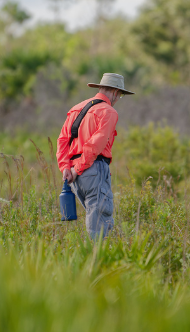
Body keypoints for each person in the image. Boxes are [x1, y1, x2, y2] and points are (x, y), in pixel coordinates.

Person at [56, 73, 134, 240]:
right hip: (92, 169)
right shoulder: (109, 111)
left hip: (77, 178)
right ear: (114, 91)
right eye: (120, 94)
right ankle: (95, 261)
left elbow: (63, 140)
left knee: (99, 219)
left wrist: (65, 168)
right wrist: (78, 168)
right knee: (99, 223)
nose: (118, 98)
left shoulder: (76, 108)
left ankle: (104, 255)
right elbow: (96, 144)